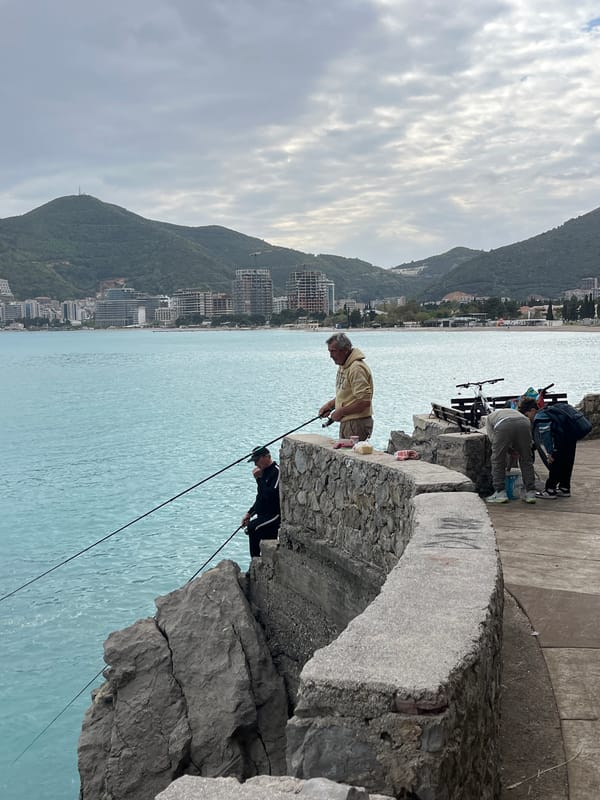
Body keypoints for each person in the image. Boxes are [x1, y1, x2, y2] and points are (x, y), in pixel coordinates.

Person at [519, 398, 585, 499]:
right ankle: (564, 488)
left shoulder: (540, 417)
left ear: (532, 410)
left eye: (527, 415)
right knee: (567, 463)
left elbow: (546, 436)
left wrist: (549, 452)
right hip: (570, 437)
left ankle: (550, 490)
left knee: (555, 464)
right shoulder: (548, 411)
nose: (528, 419)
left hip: (559, 441)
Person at [318, 332, 374, 441]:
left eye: (333, 351)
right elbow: (347, 394)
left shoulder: (356, 368)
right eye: (329, 352)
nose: (331, 356)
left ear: (345, 350)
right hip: (348, 423)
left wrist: (341, 412)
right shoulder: (344, 366)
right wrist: (330, 406)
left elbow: (364, 402)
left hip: (357, 423)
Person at [484, 404, 537, 504]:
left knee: (497, 459)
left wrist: (508, 450)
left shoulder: (489, 418)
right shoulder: (513, 412)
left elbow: (493, 441)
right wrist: (512, 450)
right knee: (526, 459)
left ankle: (500, 492)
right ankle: (530, 492)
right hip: (524, 422)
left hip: (503, 424)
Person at [241, 446, 281, 557]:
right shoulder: (263, 473)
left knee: (253, 528)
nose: (256, 464)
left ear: (266, 457)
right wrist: (249, 513)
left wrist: (259, 480)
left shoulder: (276, 472)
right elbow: (260, 497)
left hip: (274, 515)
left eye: (257, 460)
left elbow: (271, 494)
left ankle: (255, 560)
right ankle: (256, 562)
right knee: (253, 529)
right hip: (262, 515)